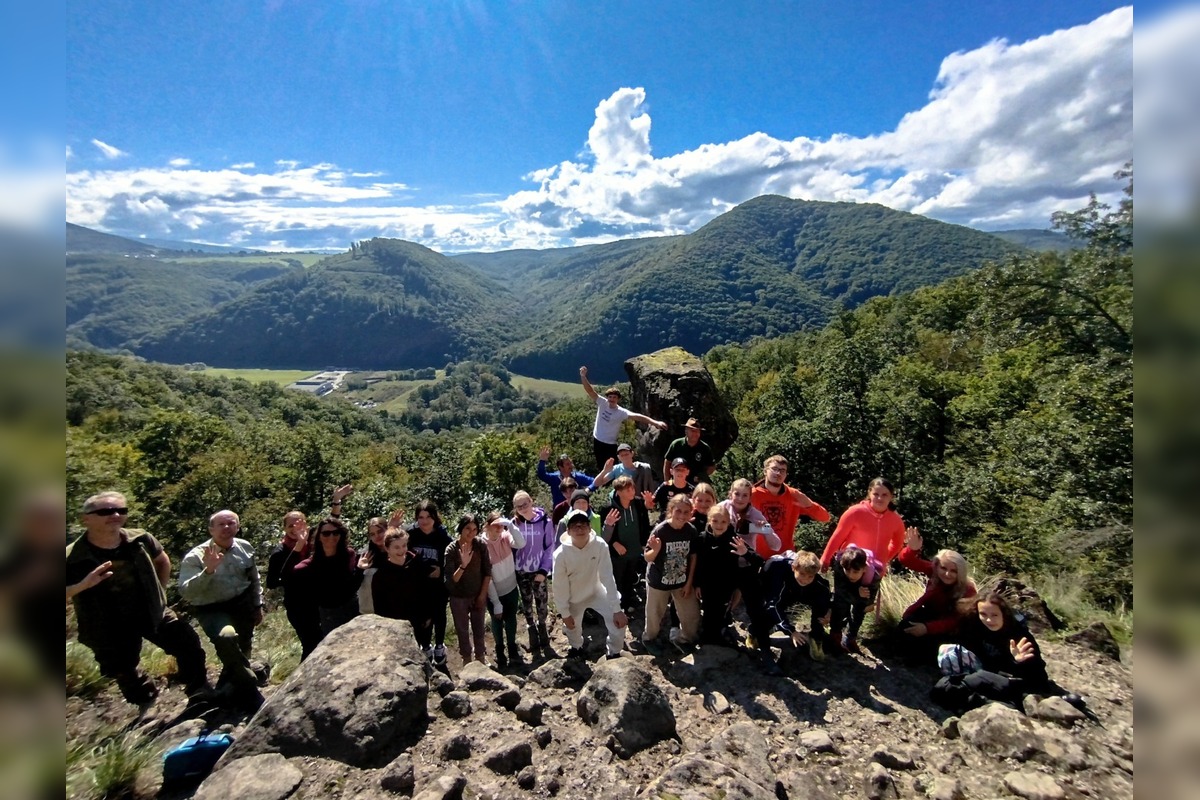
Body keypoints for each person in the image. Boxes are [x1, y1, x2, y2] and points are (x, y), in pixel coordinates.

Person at [66, 492, 210, 705]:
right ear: (86, 518)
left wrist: (159, 594)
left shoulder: (140, 539)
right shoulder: (71, 556)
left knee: (187, 642)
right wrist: (83, 585)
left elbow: (162, 561)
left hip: (151, 611)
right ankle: (146, 704)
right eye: (105, 511)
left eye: (121, 510)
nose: (115, 515)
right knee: (122, 669)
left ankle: (199, 691)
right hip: (105, 623)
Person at [933, 592, 1088, 715]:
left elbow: (1039, 677)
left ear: (1004, 614)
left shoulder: (1019, 636)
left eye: (994, 615)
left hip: (1014, 682)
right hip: (985, 676)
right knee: (945, 678)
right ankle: (979, 700)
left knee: (975, 680)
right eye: (983, 614)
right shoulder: (976, 629)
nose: (989, 620)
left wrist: (1019, 662)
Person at [178, 509, 265, 710]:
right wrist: (208, 571)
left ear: (238, 526)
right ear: (211, 529)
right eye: (221, 524)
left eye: (231, 523)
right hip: (212, 608)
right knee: (226, 638)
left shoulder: (244, 547)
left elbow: (253, 578)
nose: (227, 528)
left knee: (243, 646)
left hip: (241, 604)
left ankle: (230, 687)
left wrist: (257, 604)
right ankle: (250, 689)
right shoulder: (197, 556)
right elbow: (186, 592)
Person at [694, 504, 772, 667]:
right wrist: (697, 584)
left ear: (729, 522)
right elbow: (698, 564)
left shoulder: (734, 539)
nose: (719, 525)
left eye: (723, 521)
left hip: (726, 585)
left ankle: (720, 636)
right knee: (708, 611)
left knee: (722, 611)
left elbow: (758, 561)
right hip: (707, 584)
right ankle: (708, 638)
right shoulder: (702, 538)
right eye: (715, 521)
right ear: (709, 520)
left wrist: (744, 552)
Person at [552, 509, 629, 660]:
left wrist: (616, 608)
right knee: (572, 628)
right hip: (573, 597)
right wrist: (565, 613)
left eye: (583, 525)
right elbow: (559, 586)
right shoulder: (560, 555)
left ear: (590, 527)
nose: (579, 529)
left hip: (596, 591)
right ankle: (576, 648)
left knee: (619, 622)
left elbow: (607, 576)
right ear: (568, 530)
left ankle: (614, 652)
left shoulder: (600, 545)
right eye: (575, 526)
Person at [895, 528, 977, 655]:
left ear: (960, 572)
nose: (947, 574)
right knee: (907, 625)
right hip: (932, 614)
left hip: (951, 628)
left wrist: (927, 628)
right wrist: (912, 549)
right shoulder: (934, 572)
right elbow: (907, 560)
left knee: (936, 644)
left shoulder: (968, 590)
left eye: (954, 571)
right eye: (943, 568)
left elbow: (956, 621)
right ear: (937, 566)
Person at [641, 493, 701, 656]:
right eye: (678, 511)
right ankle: (649, 639)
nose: (682, 516)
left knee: (691, 614)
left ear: (691, 513)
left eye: (686, 512)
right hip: (659, 581)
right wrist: (656, 549)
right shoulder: (661, 530)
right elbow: (648, 557)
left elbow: (693, 556)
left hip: (681, 581)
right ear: (671, 510)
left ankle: (684, 640)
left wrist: (689, 583)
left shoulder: (690, 531)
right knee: (655, 614)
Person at [579, 366, 667, 466]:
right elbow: (590, 391)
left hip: (610, 444)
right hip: (597, 440)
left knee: (613, 467)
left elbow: (637, 416)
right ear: (607, 397)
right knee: (601, 466)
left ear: (618, 399)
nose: (611, 399)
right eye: (610, 397)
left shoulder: (621, 412)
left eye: (614, 397)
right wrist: (583, 376)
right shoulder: (602, 403)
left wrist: (655, 422)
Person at [291, 517, 361, 639]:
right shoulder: (311, 564)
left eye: (335, 533)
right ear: (319, 536)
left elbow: (351, 586)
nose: (331, 537)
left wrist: (361, 570)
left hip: (352, 608)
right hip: (329, 615)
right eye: (326, 533)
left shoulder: (348, 554)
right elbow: (287, 574)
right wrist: (300, 544)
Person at [266, 510, 321, 659]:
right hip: (298, 606)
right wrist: (293, 579)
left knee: (322, 642)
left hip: (320, 602)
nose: (295, 529)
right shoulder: (279, 553)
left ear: (306, 525)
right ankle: (302, 680)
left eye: (299, 524)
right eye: (290, 525)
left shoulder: (314, 546)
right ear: (284, 528)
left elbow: (330, 525)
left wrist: (336, 502)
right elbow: (271, 582)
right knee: (310, 644)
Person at [820, 478, 907, 571]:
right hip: (848, 567)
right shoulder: (855, 512)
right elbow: (838, 536)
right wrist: (825, 559)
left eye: (884, 495)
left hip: (875, 571)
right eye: (876, 494)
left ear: (891, 496)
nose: (880, 498)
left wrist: (883, 559)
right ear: (869, 493)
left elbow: (898, 544)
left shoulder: (896, 520)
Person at [751, 455, 830, 558]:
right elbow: (736, 524)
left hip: (784, 557)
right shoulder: (751, 495)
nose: (778, 473)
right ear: (765, 471)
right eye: (774, 469)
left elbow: (825, 517)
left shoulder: (793, 495)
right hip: (755, 557)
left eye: (782, 470)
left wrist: (809, 506)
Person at [372, 528, 436, 654]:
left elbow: (427, 591)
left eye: (404, 545)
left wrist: (428, 615)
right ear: (387, 548)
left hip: (418, 621)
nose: (401, 550)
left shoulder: (416, 563)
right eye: (396, 547)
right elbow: (379, 605)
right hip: (395, 625)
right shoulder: (381, 575)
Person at [405, 500, 453, 664]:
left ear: (434, 517)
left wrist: (442, 569)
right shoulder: (410, 534)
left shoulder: (442, 536)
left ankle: (439, 645)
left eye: (428, 517)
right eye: (420, 517)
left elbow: (452, 558)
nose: (424, 521)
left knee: (439, 615)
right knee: (421, 618)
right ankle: (425, 646)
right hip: (417, 585)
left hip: (438, 586)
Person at [760, 550, 832, 656]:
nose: (805, 579)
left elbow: (827, 596)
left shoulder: (819, 584)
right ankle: (756, 634)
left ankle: (815, 638)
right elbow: (773, 605)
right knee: (769, 613)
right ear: (794, 568)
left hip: (797, 592)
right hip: (769, 586)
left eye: (810, 576)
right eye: (802, 574)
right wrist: (791, 631)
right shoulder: (779, 572)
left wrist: (828, 612)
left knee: (821, 605)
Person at [511, 490, 556, 658]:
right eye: (519, 506)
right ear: (515, 507)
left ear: (531, 501)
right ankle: (531, 627)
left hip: (539, 570)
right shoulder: (513, 524)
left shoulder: (545, 521)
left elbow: (549, 547)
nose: (523, 508)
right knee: (526, 600)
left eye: (525, 504)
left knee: (542, 601)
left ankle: (542, 625)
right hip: (521, 570)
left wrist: (544, 570)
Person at [444, 514, 492, 665]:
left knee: (479, 629)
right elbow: (452, 580)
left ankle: (481, 658)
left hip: (477, 592)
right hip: (458, 597)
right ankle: (466, 659)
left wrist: (482, 595)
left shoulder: (480, 545)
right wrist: (463, 564)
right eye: (467, 529)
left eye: (474, 529)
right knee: (462, 630)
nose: (471, 533)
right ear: (461, 529)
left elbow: (487, 571)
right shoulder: (451, 549)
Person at [599, 476, 651, 614]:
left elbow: (645, 524)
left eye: (632, 488)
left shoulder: (639, 504)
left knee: (630, 576)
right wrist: (614, 543)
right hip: (618, 552)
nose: (632, 491)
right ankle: (616, 607)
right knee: (617, 578)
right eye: (628, 489)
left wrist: (643, 543)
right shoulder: (608, 508)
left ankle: (628, 603)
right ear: (619, 491)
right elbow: (604, 532)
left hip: (634, 549)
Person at [482, 512, 526, 670]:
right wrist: (495, 601)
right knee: (497, 620)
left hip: (511, 587)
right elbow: (487, 576)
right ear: (487, 526)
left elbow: (521, 543)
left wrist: (511, 526)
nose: (498, 529)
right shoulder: (482, 545)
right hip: (494, 591)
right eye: (495, 525)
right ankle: (500, 650)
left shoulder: (506, 536)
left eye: (501, 525)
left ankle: (512, 647)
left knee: (511, 619)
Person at [828, 546, 883, 655]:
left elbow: (868, 601)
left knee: (860, 611)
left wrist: (867, 601)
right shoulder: (839, 566)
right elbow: (841, 591)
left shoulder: (873, 576)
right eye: (847, 570)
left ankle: (849, 638)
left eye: (855, 571)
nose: (850, 574)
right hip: (846, 591)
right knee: (839, 607)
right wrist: (856, 592)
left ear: (864, 569)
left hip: (861, 593)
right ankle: (835, 635)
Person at [719, 478, 781, 555]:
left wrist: (766, 529)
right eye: (737, 494)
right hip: (722, 555)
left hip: (745, 560)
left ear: (750, 498)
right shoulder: (722, 507)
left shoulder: (754, 515)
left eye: (745, 495)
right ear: (730, 494)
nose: (740, 499)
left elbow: (776, 546)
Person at [355, 515, 390, 615]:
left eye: (380, 532)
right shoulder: (364, 555)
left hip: (394, 609)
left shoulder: (398, 550)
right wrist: (359, 569)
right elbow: (354, 584)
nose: (377, 536)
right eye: (372, 534)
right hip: (369, 612)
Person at [592, 442, 657, 495]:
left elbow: (650, 485)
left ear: (632, 454)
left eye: (626, 454)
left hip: (639, 500)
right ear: (618, 457)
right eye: (622, 455)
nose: (625, 457)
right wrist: (605, 471)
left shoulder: (642, 468)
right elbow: (597, 483)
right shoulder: (616, 469)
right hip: (621, 501)